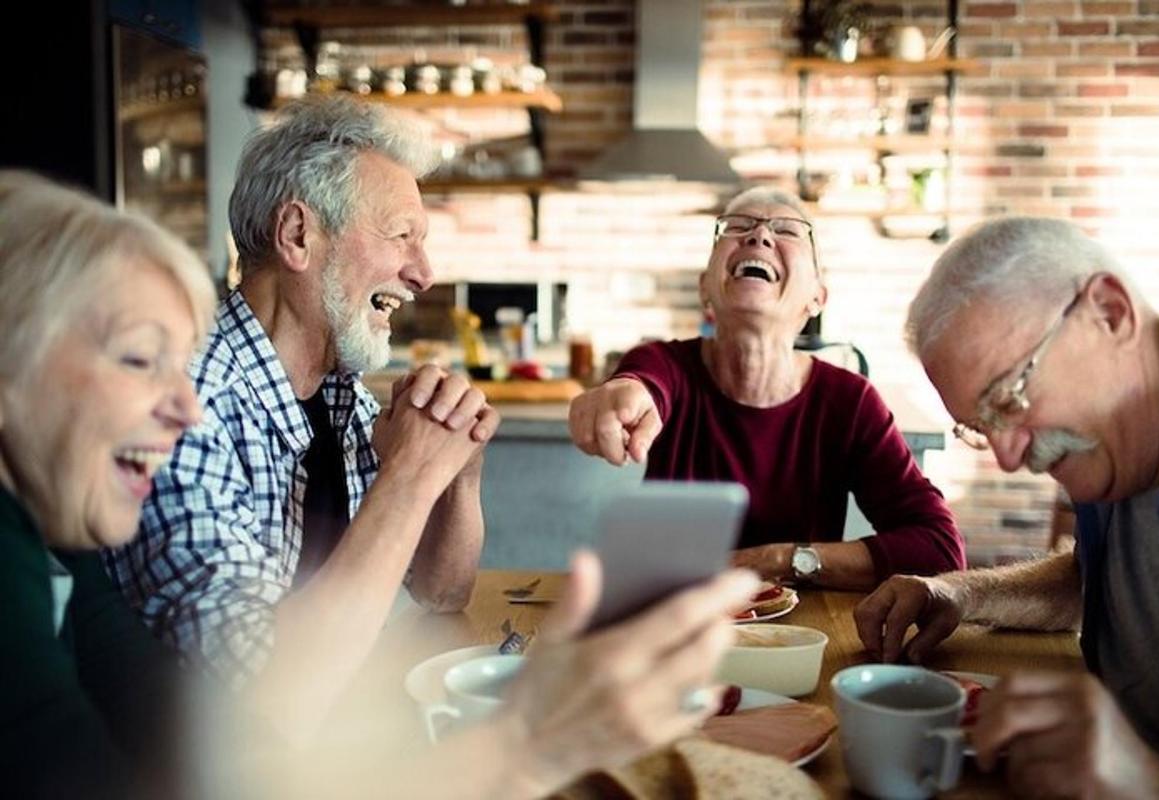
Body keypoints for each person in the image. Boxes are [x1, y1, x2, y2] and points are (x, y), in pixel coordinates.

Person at [4, 171, 762, 800]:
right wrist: (527, 741)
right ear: (299, 237)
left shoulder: (64, 557)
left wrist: (456, 473)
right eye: (140, 359)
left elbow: (225, 767)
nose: (182, 405)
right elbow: (256, 709)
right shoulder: (190, 418)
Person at [103, 95, 500, 739]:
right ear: (298, 236)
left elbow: (441, 592)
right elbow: (268, 692)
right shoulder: (183, 406)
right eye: (402, 235)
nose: (423, 274)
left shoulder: (338, 393)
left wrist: (459, 469)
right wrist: (412, 474)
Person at [854, 217, 1159, 797]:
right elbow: (1089, 582)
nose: (1010, 457)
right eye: (981, 426)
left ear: (1109, 312)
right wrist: (960, 594)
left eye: (1009, 397)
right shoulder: (1119, 445)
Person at [568, 187, 965, 591]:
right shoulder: (666, 365)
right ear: (706, 288)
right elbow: (640, 383)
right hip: (674, 622)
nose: (759, 237)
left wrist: (776, 560)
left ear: (816, 298)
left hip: (799, 634)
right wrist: (621, 391)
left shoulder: (849, 401)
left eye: (788, 231)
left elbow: (939, 550)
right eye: (737, 226)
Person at [0, 171, 217, 797]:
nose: (188, 407)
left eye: (182, 366)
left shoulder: (54, 521)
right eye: (140, 359)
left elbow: (159, 705)